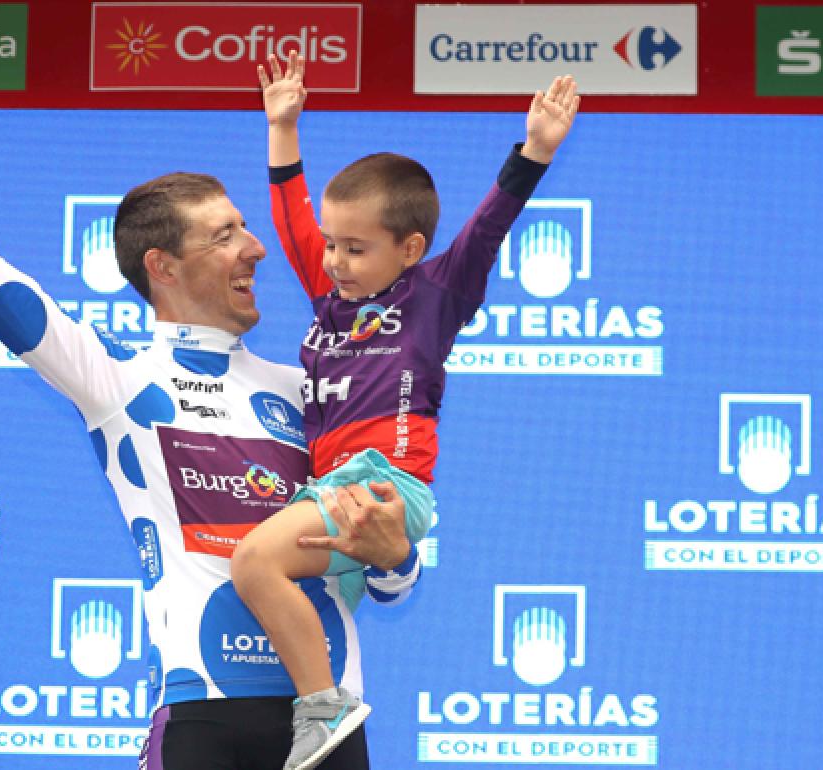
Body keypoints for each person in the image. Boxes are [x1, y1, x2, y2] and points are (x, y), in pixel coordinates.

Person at [0, 3, 422, 768]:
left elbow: (391, 589)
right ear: (163, 266)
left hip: (331, 727)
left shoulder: (311, 392)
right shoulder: (112, 374)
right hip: (201, 720)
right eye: (226, 236)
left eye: (248, 229)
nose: (258, 251)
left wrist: (396, 557)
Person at [229, 53, 580, 770]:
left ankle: (324, 711)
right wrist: (283, 129)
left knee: (254, 561)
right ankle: (314, 720)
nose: (333, 260)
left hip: (382, 484)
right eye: (333, 244)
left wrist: (535, 152)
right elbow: (294, 221)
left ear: (410, 249)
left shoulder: (432, 297)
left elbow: (485, 230)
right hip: (332, 492)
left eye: (355, 248)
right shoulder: (332, 298)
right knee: (282, 622)